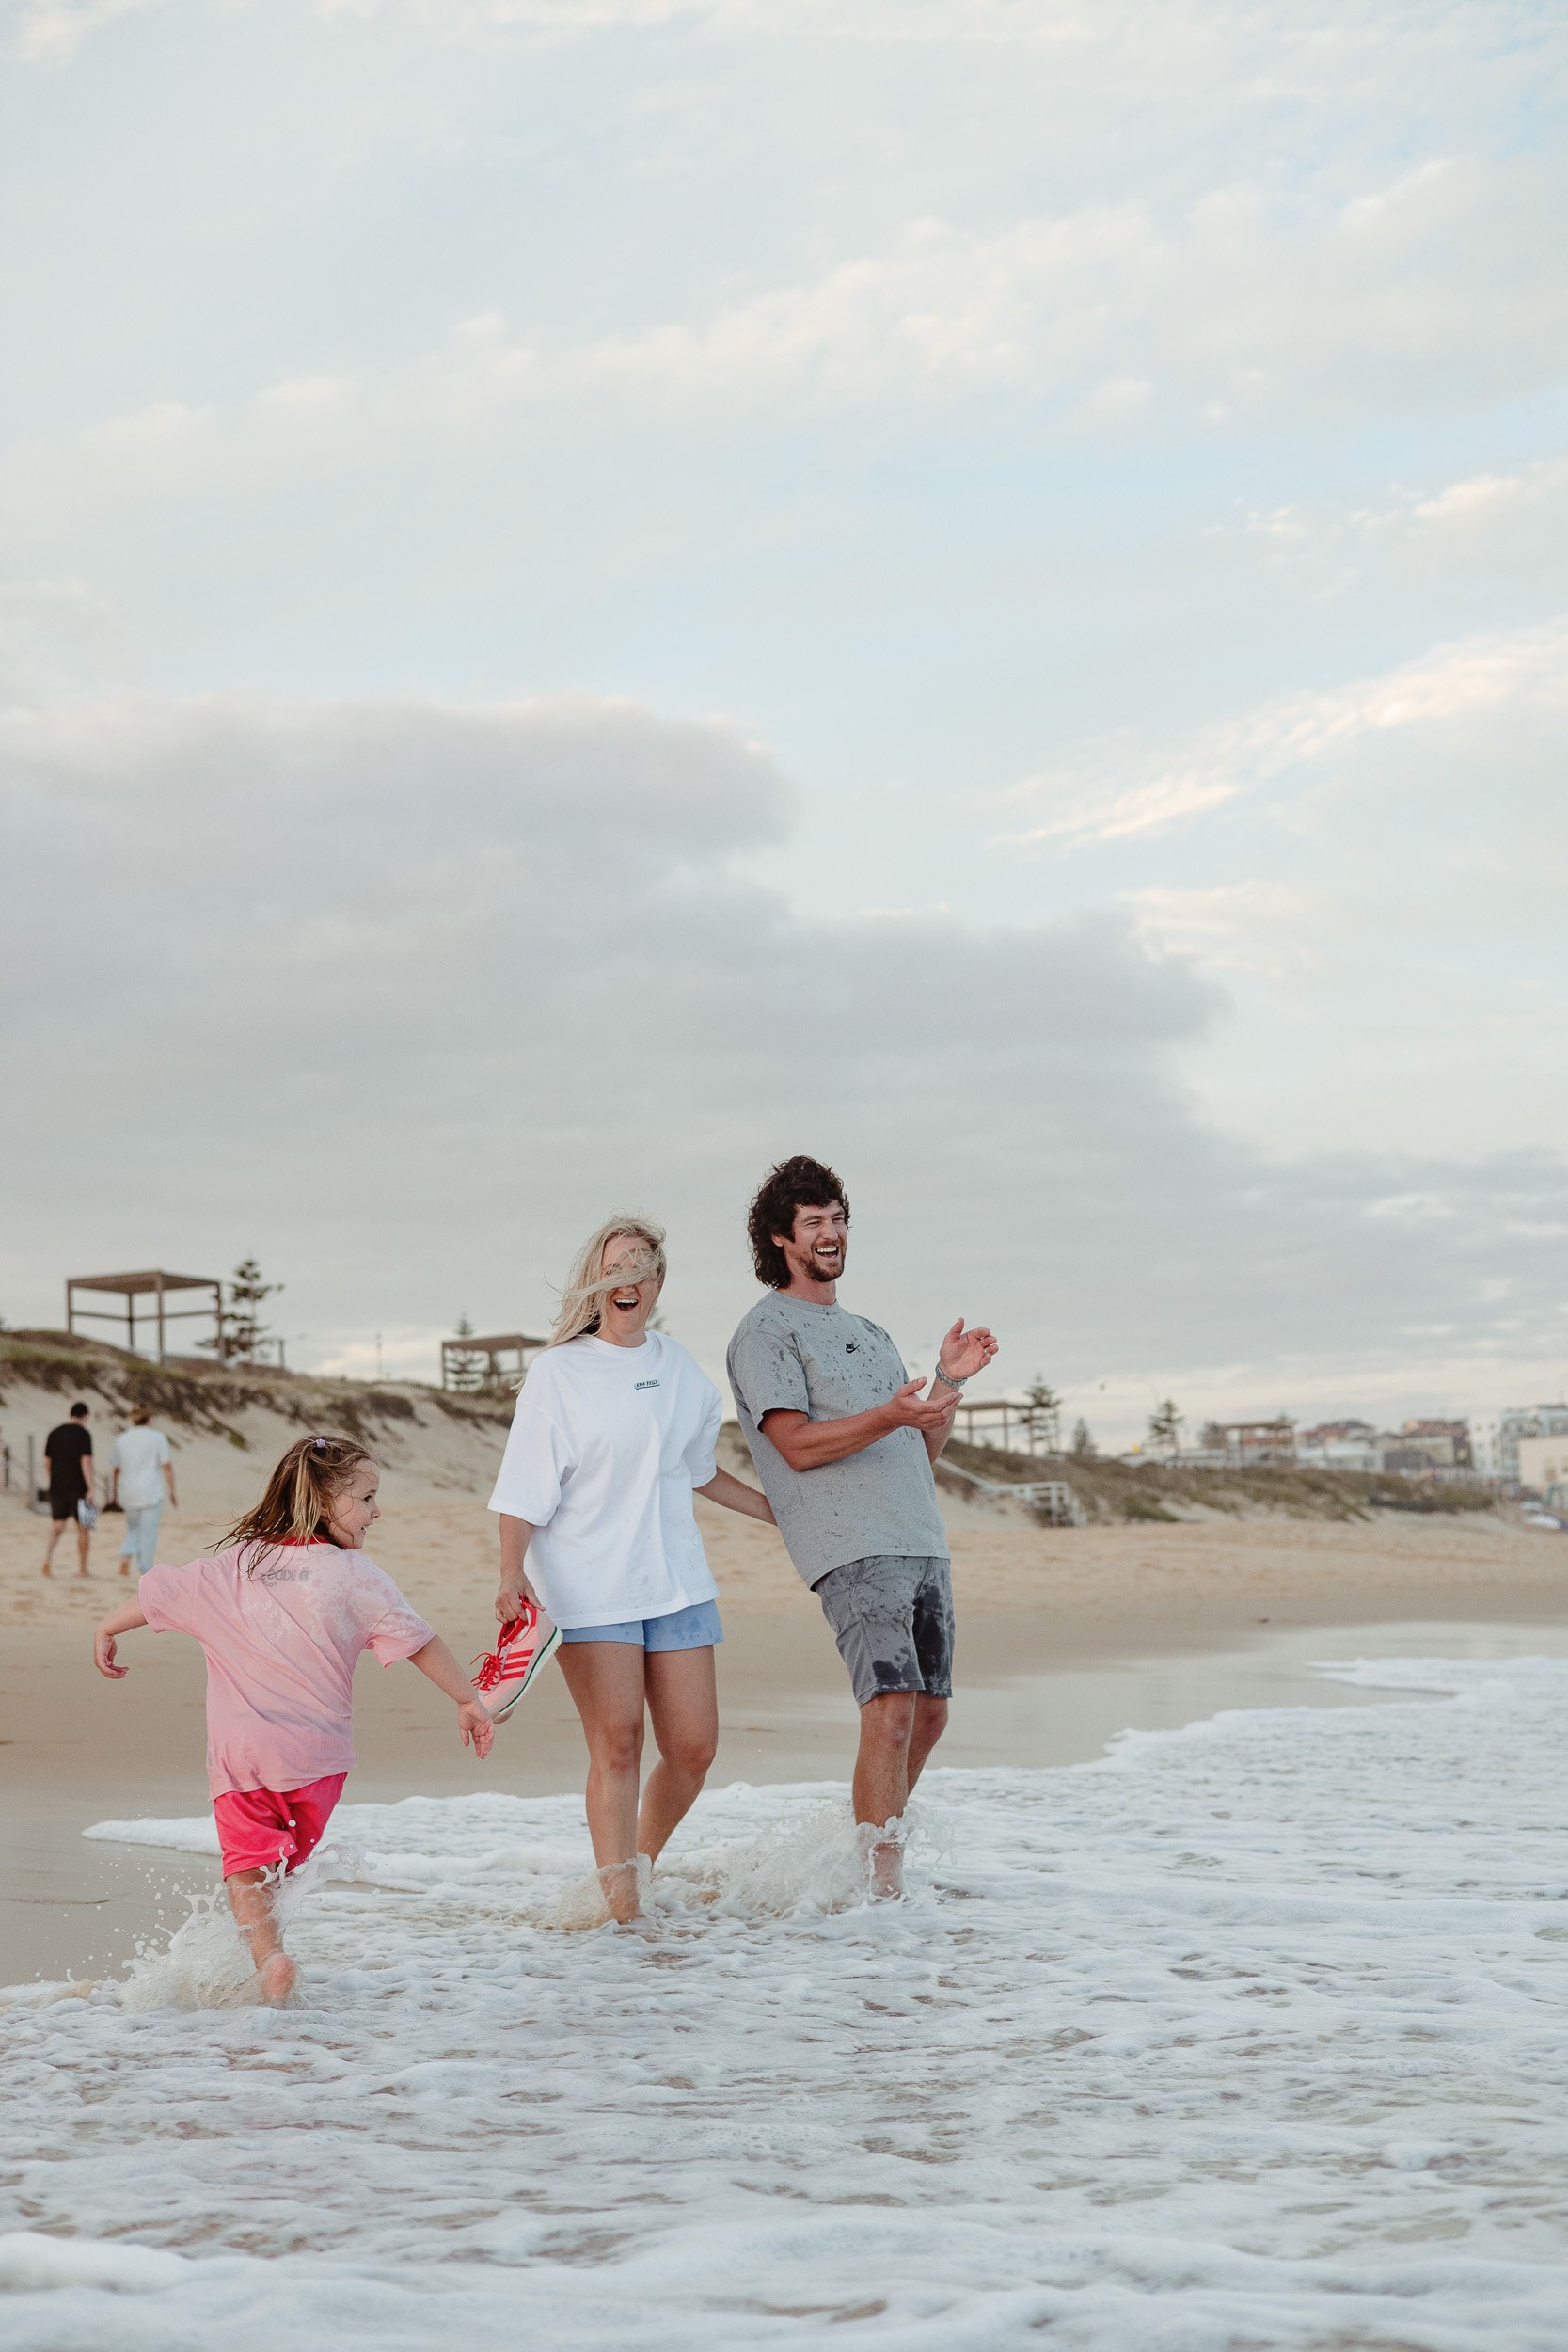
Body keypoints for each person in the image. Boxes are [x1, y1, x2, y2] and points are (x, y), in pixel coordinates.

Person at [91, 1432, 494, 2006]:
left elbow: (163, 1594)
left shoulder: (236, 1565)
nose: (377, 1511)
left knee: (247, 1869)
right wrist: (467, 1699)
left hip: (241, 1758)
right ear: (324, 1501)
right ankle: (272, 1962)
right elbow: (420, 1642)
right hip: (318, 1763)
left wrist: (108, 1626)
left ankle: (269, 1961)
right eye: (367, 1498)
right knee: (281, 1871)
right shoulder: (357, 1576)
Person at [485, 1216, 774, 1925]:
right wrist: (510, 1571)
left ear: (657, 1283)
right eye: (615, 1268)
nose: (629, 1280)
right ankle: (625, 1913)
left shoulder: (678, 1366)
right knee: (618, 1743)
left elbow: (699, 1470)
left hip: (676, 1581)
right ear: (595, 1281)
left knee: (693, 1749)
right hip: (588, 1584)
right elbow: (523, 1486)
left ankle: (633, 1869)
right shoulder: (559, 1372)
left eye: (642, 1268)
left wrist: (776, 1512)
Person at [726, 1156, 997, 1899]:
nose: (830, 1232)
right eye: (812, 1221)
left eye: (838, 1218)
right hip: (851, 1543)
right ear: (780, 1238)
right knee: (890, 1707)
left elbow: (916, 1449)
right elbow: (795, 1446)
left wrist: (947, 1382)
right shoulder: (766, 1330)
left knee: (929, 1715)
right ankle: (882, 1888)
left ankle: (861, 1857)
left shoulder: (870, 1332)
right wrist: (887, 1414)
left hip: (918, 1535)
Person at [110, 1406, 177, 1578]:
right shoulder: (158, 1438)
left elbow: (116, 1469)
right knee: (148, 1532)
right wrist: (172, 1490)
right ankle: (145, 1570)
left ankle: (126, 1556)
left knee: (133, 1527)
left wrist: (114, 1493)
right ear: (150, 1419)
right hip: (150, 1491)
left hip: (128, 1491)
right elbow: (167, 1466)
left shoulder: (122, 1439)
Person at [41, 1401, 95, 1577]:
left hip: (57, 1486)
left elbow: (47, 1462)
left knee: (58, 1524)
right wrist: (91, 1487)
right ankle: (82, 1569)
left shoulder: (54, 1433)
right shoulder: (84, 1434)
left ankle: (47, 1559)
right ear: (85, 1416)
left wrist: (53, 1480)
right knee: (84, 1527)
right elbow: (86, 1461)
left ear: (70, 1414)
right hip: (79, 1487)